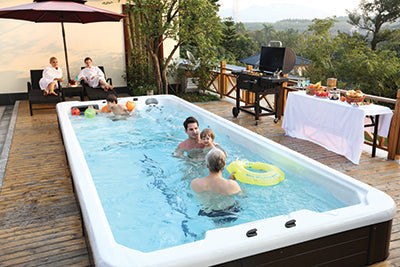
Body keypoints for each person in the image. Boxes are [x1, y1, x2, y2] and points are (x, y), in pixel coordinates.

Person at [191, 148, 242, 223]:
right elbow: (243, 196)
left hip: (208, 214)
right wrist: (233, 181)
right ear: (224, 165)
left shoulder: (195, 183)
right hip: (230, 214)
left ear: (207, 165)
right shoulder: (232, 185)